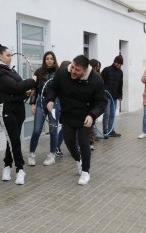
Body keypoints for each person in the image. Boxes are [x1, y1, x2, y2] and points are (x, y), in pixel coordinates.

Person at [46, 55, 107, 185]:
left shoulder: (96, 80)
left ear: (85, 70)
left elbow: (101, 102)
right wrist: (50, 99)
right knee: (68, 141)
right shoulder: (63, 73)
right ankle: (78, 159)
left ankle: (86, 171)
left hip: (86, 116)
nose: (73, 71)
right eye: (73, 67)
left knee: (83, 141)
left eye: (77, 70)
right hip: (68, 114)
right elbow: (53, 87)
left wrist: (92, 115)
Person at [0, 44, 37, 185]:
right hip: (6, 110)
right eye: (8, 55)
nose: (10, 58)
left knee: (12, 138)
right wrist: (32, 81)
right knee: (14, 141)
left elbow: (18, 90)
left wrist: (26, 93)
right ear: (0, 56)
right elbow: (16, 87)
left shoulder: (10, 70)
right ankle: (20, 169)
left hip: (18, 109)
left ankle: (6, 166)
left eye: (11, 55)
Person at [28, 51, 60, 166]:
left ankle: (52, 155)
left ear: (54, 60)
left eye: (51, 58)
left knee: (53, 131)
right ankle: (31, 154)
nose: (49, 60)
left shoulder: (59, 72)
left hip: (55, 104)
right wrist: (32, 103)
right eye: (47, 58)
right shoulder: (39, 72)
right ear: (44, 60)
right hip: (41, 103)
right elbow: (34, 89)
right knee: (36, 130)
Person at [101, 55, 123, 138]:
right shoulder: (106, 70)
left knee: (112, 114)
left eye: (120, 64)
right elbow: (100, 82)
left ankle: (111, 130)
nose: (119, 65)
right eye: (118, 63)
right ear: (114, 62)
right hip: (106, 96)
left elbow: (120, 84)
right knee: (106, 113)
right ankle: (105, 131)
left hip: (114, 96)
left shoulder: (120, 72)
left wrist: (120, 95)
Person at [54, 60, 71, 157]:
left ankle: (57, 146)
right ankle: (56, 146)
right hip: (61, 105)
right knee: (64, 127)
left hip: (67, 106)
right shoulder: (60, 78)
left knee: (66, 128)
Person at [89, 59, 102, 150]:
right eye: (96, 66)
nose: (97, 68)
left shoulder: (98, 76)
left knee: (91, 124)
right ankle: (88, 142)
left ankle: (90, 142)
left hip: (94, 104)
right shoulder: (86, 75)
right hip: (87, 104)